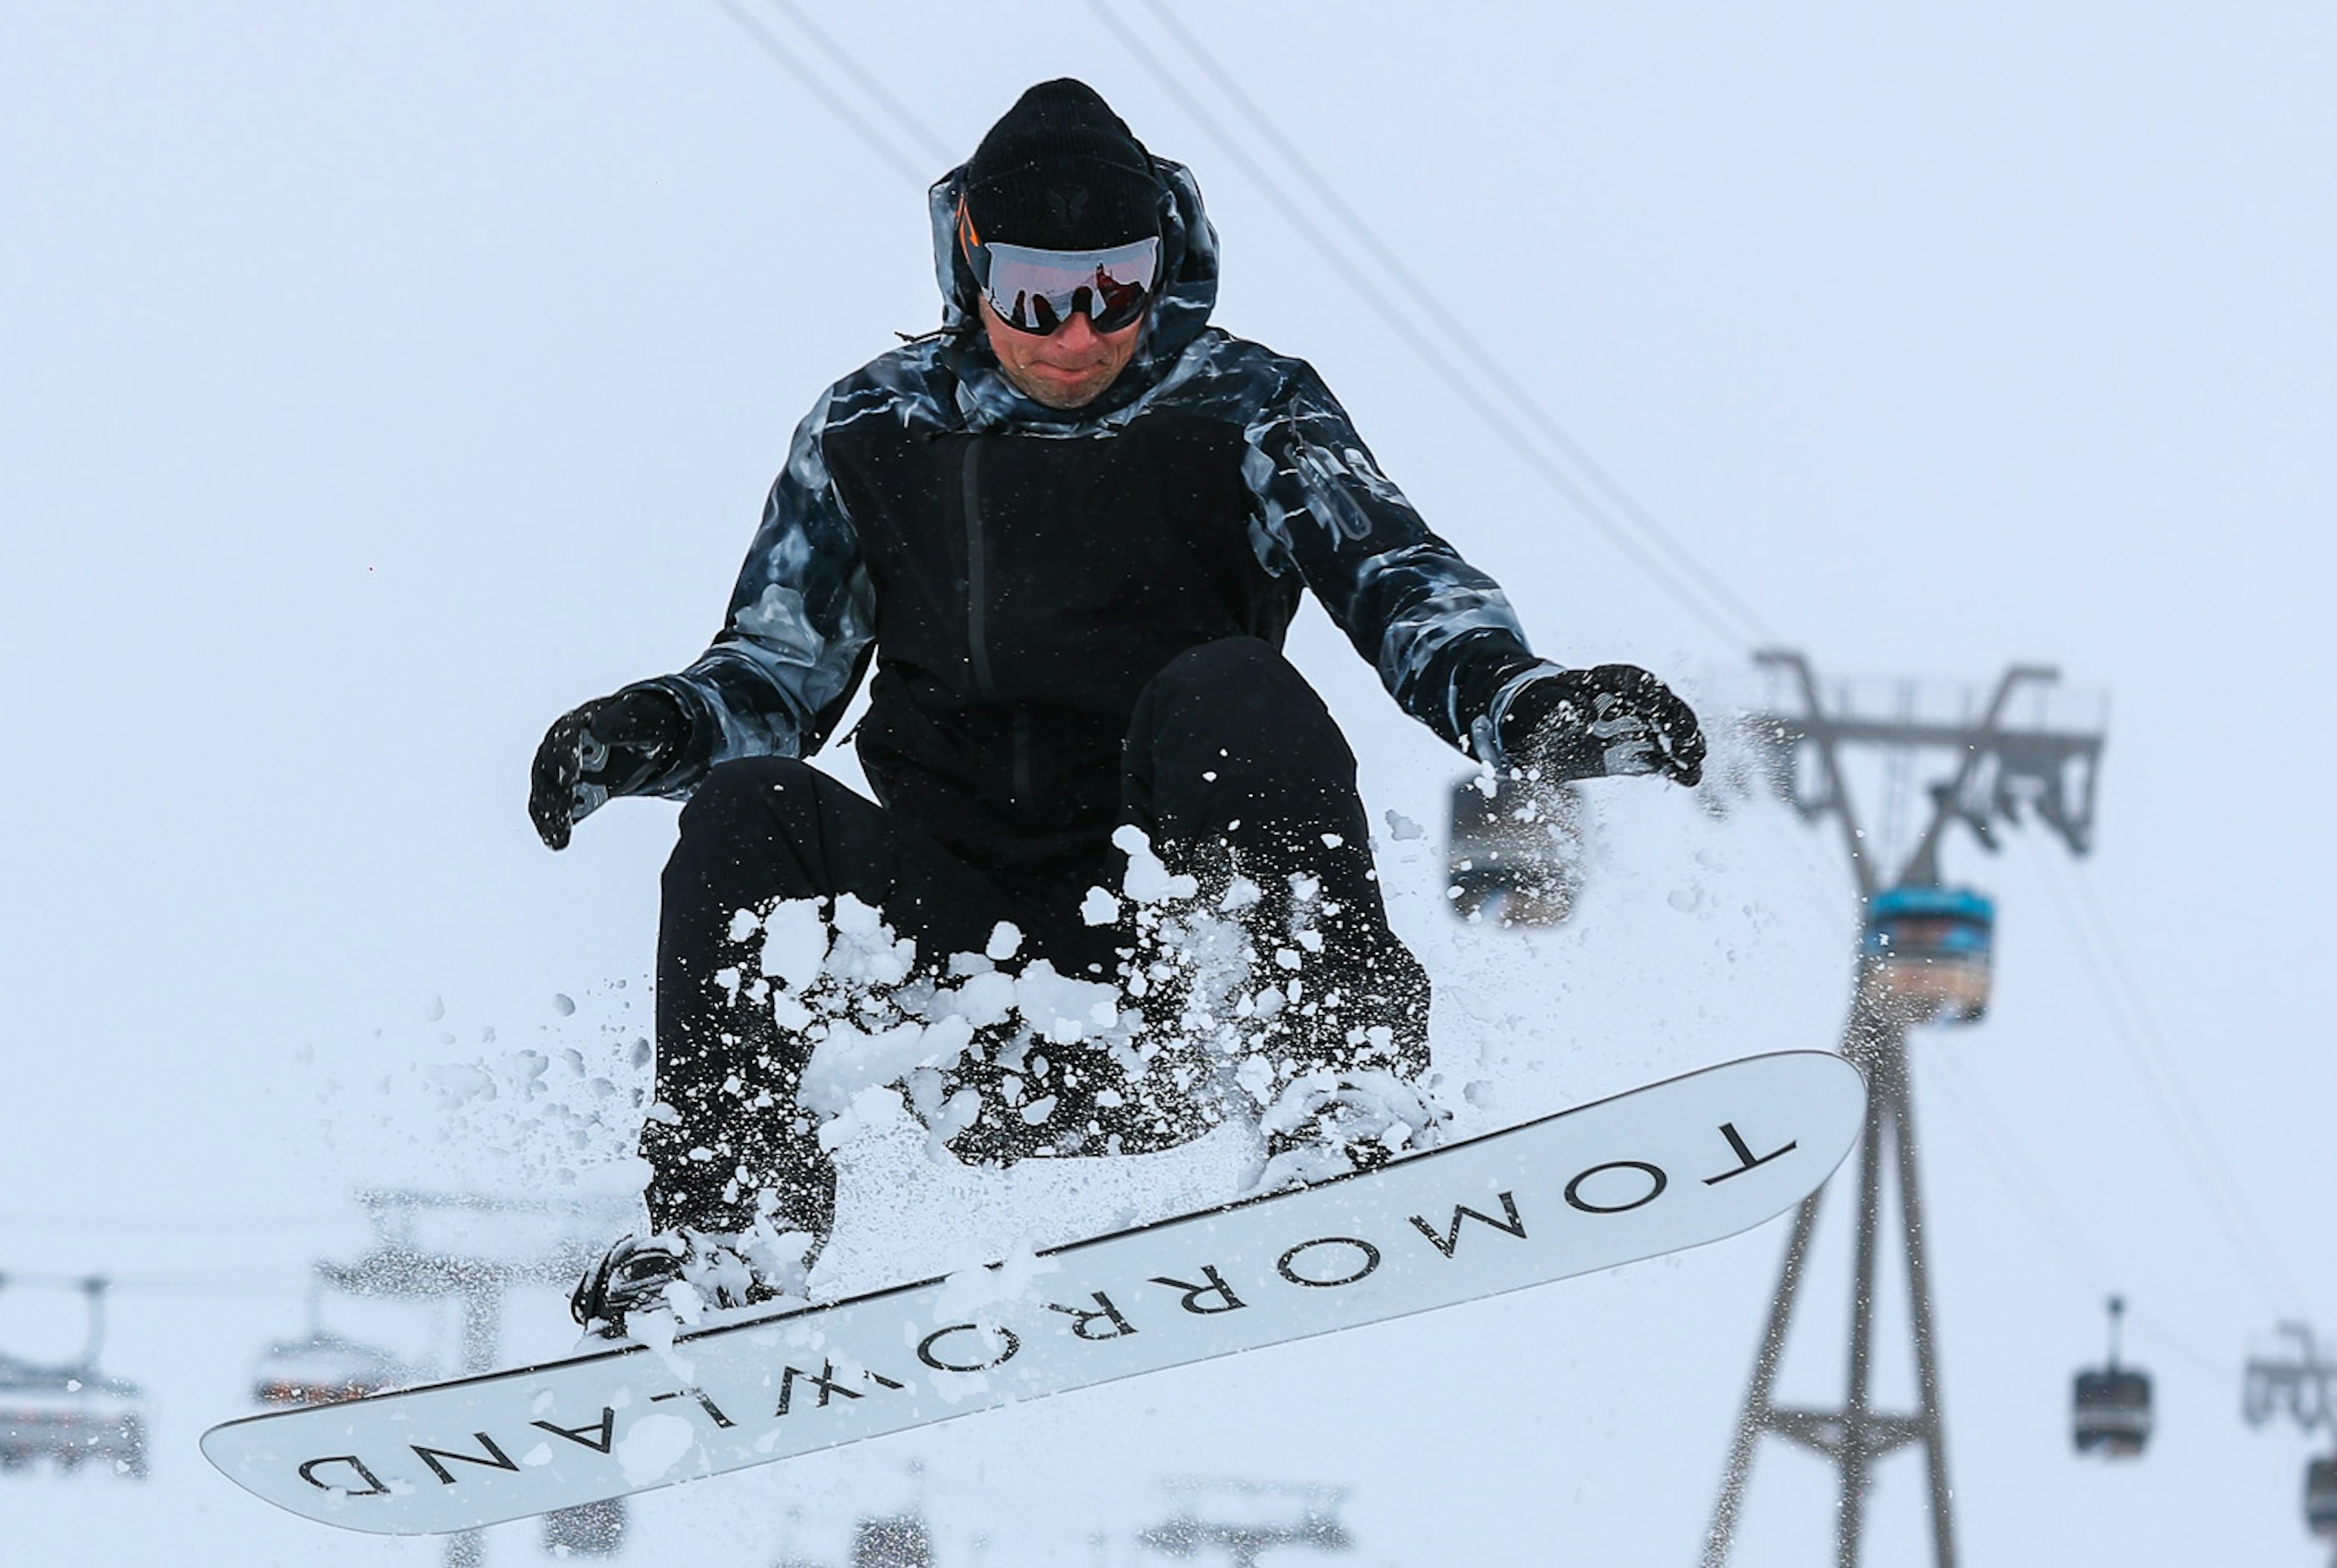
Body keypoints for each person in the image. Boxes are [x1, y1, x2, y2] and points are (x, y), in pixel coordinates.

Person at [530, 78, 1703, 1333]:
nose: (1080, 335)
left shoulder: (1248, 408)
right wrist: (658, 729)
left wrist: (1523, 705)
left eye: (1115, 290)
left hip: (1176, 969)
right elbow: (778, 674)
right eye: (1038, 296)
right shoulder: (874, 427)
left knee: (1231, 686)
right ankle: (725, 1236)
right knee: (747, 808)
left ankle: (1339, 1093)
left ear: (1166, 264)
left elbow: (1394, 576)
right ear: (970, 267)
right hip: (955, 982)